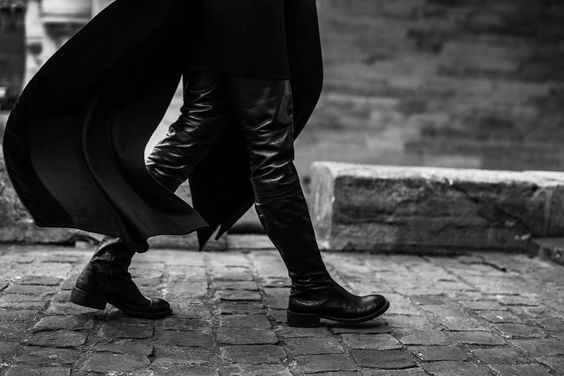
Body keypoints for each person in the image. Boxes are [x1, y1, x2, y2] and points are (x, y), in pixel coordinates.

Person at [3, 0, 389, 327]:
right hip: (251, 17)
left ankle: (108, 264)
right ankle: (312, 287)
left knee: (193, 132)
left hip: (216, 17)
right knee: (269, 143)